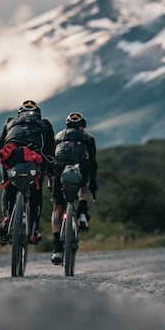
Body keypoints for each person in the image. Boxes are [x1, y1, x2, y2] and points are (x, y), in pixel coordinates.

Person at [0, 99, 55, 245]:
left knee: (8, 185)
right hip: (34, 159)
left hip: (11, 158)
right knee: (36, 193)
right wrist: (51, 172)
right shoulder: (45, 124)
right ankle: (34, 231)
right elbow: (50, 151)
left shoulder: (10, 121)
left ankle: (6, 217)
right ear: (38, 115)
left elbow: (0, 145)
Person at [50, 111, 98, 265]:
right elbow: (93, 163)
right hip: (81, 167)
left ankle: (57, 249)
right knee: (84, 187)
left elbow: (51, 159)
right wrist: (93, 184)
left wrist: (51, 180)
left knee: (58, 207)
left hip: (59, 168)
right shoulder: (88, 138)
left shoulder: (58, 136)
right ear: (82, 126)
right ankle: (83, 213)